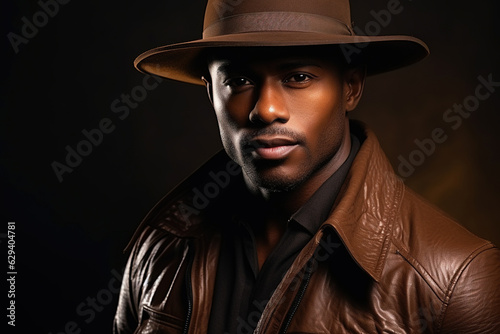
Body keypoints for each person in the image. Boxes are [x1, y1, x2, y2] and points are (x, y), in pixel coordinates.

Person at [114, 0, 500, 333]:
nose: (266, 109)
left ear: (351, 86)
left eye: (298, 77)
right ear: (210, 90)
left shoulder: (454, 280)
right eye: (239, 79)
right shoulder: (158, 247)